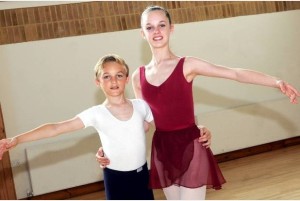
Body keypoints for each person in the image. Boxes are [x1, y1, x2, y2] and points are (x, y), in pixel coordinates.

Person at [97, 5, 300, 200]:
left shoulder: (187, 65)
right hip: (162, 151)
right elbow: (141, 123)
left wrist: (276, 82)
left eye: (161, 25)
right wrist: (110, 147)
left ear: (171, 28)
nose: (156, 31)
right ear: (142, 33)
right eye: (149, 27)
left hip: (191, 145)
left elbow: (234, 73)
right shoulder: (137, 77)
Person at [0, 54, 156, 200]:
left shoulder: (141, 106)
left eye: (119, 75)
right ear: (98, 82)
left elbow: (146, 126)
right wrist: (17, 139)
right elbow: (56, 128)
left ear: (127, 79)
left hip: (141, 176)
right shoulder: (96, 113)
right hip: (115, 179)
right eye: (106, 76)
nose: (113, 81)